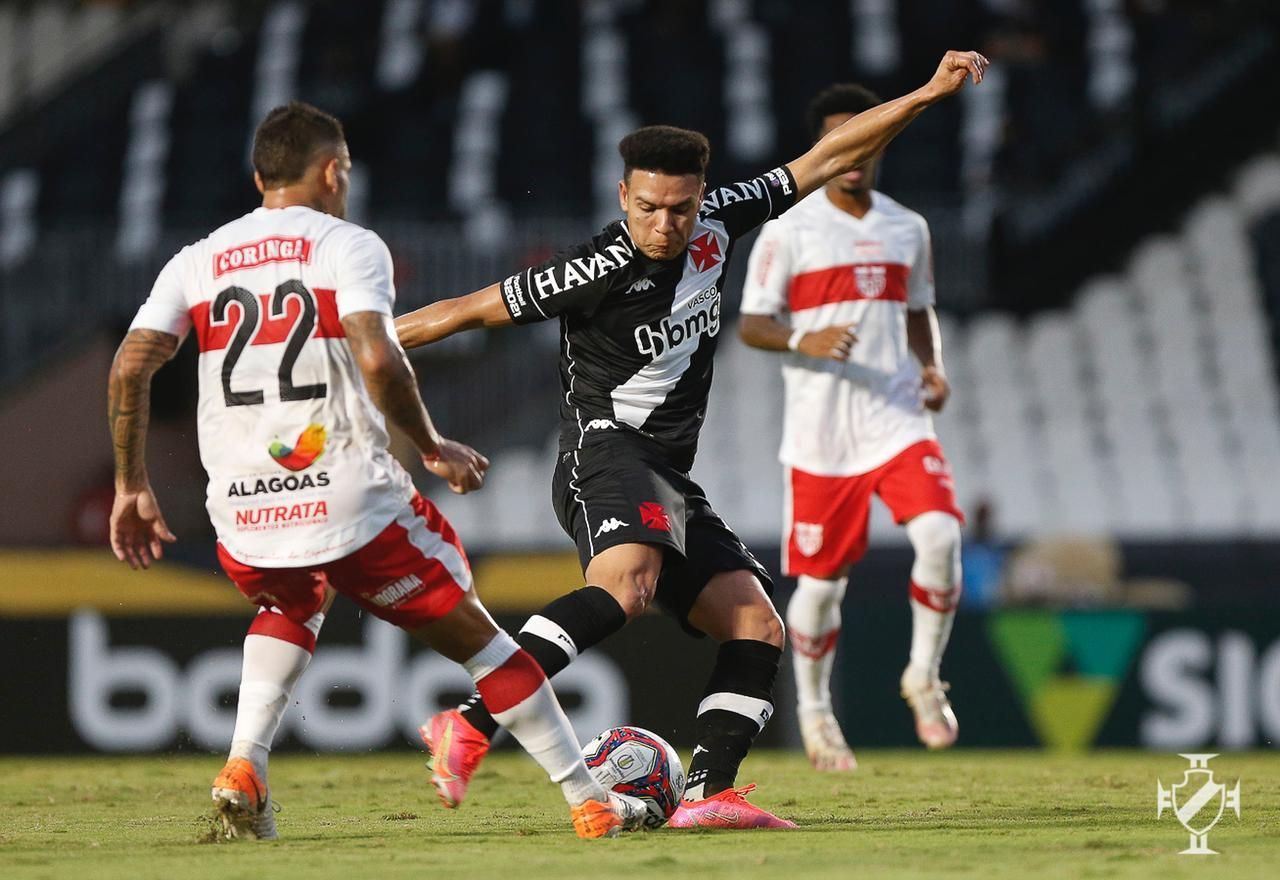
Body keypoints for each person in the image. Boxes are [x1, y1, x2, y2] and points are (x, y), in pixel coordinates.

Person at [394, 53, 988, 826]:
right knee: (627, 588)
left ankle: (707, 796)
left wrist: (932, 92)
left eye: (679, 208)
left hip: (665, 474)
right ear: (623, 196)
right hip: (602, 452)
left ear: (700, 197)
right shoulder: (594, 266)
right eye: (647, 207)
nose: (665, 225)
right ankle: (468, 722)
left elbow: (831, 154)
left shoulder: (723, 221)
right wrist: (352, 342)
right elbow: (464, 311)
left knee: (755, 620)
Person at [107, 101, 640, 841]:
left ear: (261, 175)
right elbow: (380, 356)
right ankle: (589, 800)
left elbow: (132, 365)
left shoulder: (196, 259)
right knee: (486, 644)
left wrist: (131, 485)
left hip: (242, 507)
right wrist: (429, 446)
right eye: (346, 170)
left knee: (291, 605)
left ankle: (243, 765)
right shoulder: (346, 246)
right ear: (332, 171)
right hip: (346, 494)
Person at [738, 83, 966, 771]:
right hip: (821, 436)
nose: (854, 154)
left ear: (880, 146)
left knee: (942, 533)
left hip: (895, 417)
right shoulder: (788, 229)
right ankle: (814, 712)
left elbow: (919, 308)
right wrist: (802, 339)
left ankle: (923, 676)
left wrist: (933, 366)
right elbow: (751, 323)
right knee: (824, 585)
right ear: (822, 149)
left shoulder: (907, 227)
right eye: (843, 139)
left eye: (869, 139)